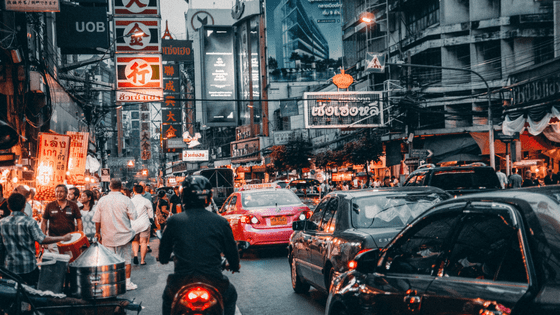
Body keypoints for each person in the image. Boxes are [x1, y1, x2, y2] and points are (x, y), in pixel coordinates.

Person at [159, 175, 240, 315]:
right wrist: (234, 265)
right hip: (214, 279)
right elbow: (231, 251)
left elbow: (163, 255)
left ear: (183, 196)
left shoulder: (174, 221)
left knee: (168, 298)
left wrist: (164, 258)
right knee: (230, 295)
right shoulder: (220, 222)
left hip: (181, 280)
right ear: (208, 197)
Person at [0, 193, 72, 286]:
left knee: (11, 295)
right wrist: (63, 238)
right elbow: (42, 239)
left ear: (8, 206)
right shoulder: (30, 222)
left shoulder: (2, 223)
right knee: (31, 294)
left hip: (9, 268)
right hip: (28, 267)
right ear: (24, 206)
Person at [93, 179, 138, 290]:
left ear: (109, 186)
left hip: (108, 236)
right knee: (126, 260)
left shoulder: (102, 200)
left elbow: (97, 219)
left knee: (109, 260)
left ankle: (111, 282)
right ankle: (127, 283)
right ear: (121, 187)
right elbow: (134, 217)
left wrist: (98, 232)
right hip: (124, 235)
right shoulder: (126, 200)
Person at [41, 185, 82, 253]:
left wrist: (80, 237)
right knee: (55, 261)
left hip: (70, 240)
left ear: (66, 193)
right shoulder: (50, 205)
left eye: (61, 191)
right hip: (53, 240)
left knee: (69, 260)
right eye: (57, 191)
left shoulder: (73, 205)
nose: (59, 194)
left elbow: (79, 220)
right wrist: (43, 239)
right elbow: (44, 222)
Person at [130, 184, 153, 265]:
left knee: (135, 240)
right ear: (142, 191)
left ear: (134, 191)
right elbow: (150, 214)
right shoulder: (146, 201)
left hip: (133, 224)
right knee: (143, 242)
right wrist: (151, 219)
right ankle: (142, 260)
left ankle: (136, 255)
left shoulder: (130, 201)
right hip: (144, 223)